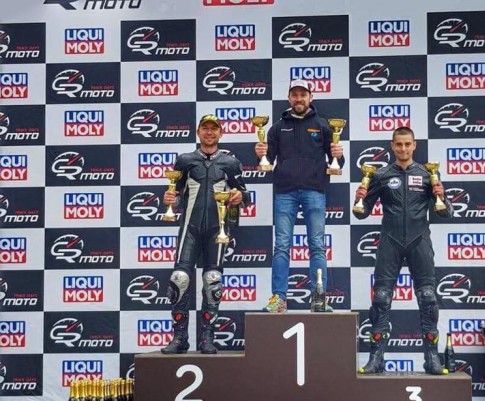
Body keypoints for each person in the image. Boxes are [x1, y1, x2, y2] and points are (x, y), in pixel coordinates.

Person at [353, 126, 454, 375]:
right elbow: (362, 213)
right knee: (381, 298)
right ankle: (376, 358)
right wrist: (359, 198)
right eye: (399, 144)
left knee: (428, 298)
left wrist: (442, 197)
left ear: (414, 145)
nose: (403, 149)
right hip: (390, 241)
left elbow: (446, 213)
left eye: (407, 144)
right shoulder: (380, 175)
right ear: (392, 145)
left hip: (420, 241)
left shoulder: (428, 173)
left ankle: (432, 358)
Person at [161, 114, 250, 354]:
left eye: (214, 129)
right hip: (189, 229)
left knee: (212, 280)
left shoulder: (231, 163)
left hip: (217, 230)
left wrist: (239, 197)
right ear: (198, 132)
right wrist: (169, 199)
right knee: (180, 278)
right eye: (205, 128)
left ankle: (207, 337)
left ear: (221, 133)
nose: (209, 133)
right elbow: (175, 195)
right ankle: (179, 337)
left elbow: (245, 196)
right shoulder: (184, 160)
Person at [255, 79, 344, 313]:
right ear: (289, 98)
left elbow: (337, 163)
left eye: (303, 95)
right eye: (294, 95)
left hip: (314, 190)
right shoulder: (277, 127)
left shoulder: (323, 125)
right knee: (282, 246)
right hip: (285, 192)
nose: (299, 99)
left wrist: (338, 154)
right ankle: (279, 299)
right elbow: (267, 161)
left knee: (317, 246)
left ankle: (319, 297)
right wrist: (260, 154)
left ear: (310, 98)